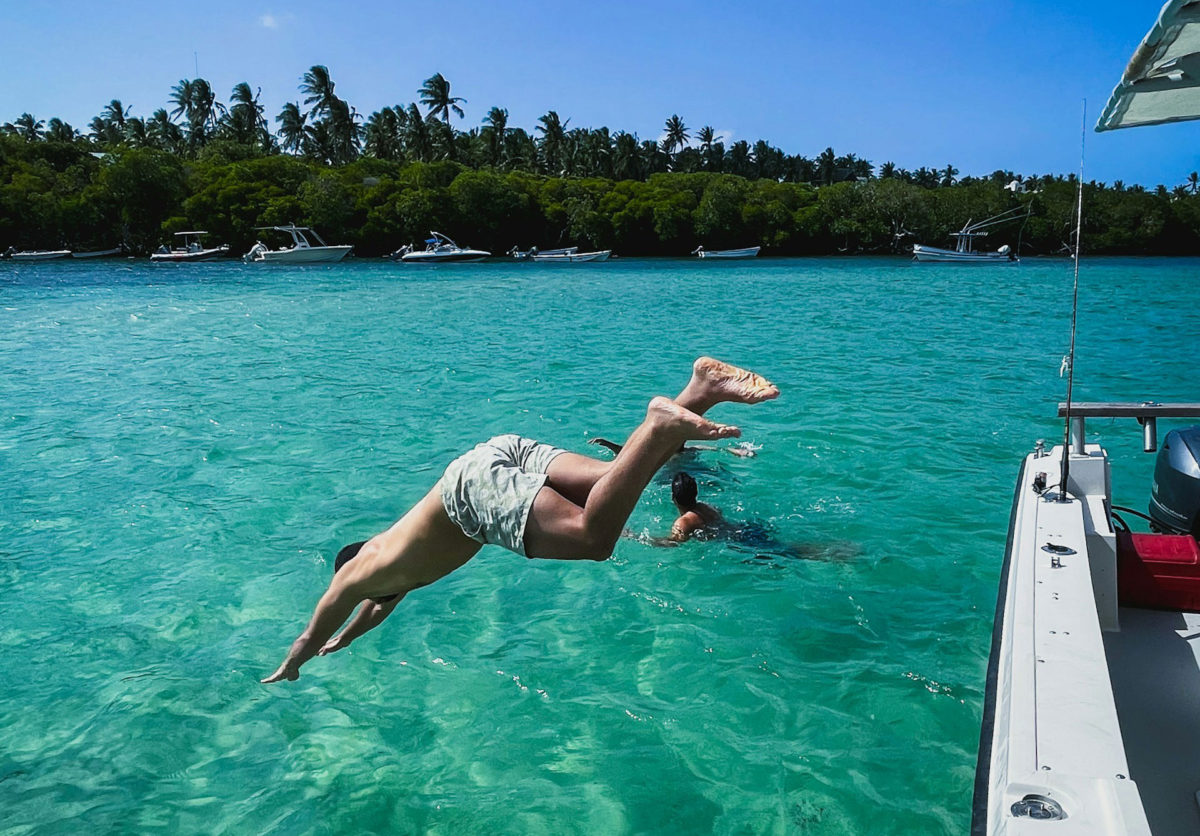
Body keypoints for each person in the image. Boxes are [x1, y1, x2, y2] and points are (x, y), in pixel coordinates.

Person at [262, 357, 779, 683]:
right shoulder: (390, 580)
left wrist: (293, 663)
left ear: (349, 569)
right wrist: (344, 641)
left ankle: (663, 423)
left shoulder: (360, 572)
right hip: (495, 453)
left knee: (593, 539)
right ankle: (700, 389)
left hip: (469, 494)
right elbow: (368, 615)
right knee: (617, 478)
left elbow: (318, 623)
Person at [667, 472, 722, 542]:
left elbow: (673, 543)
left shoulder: (683, 523)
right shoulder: (707, 508)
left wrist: (654, 541)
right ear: (696, 493)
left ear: (673, 498)